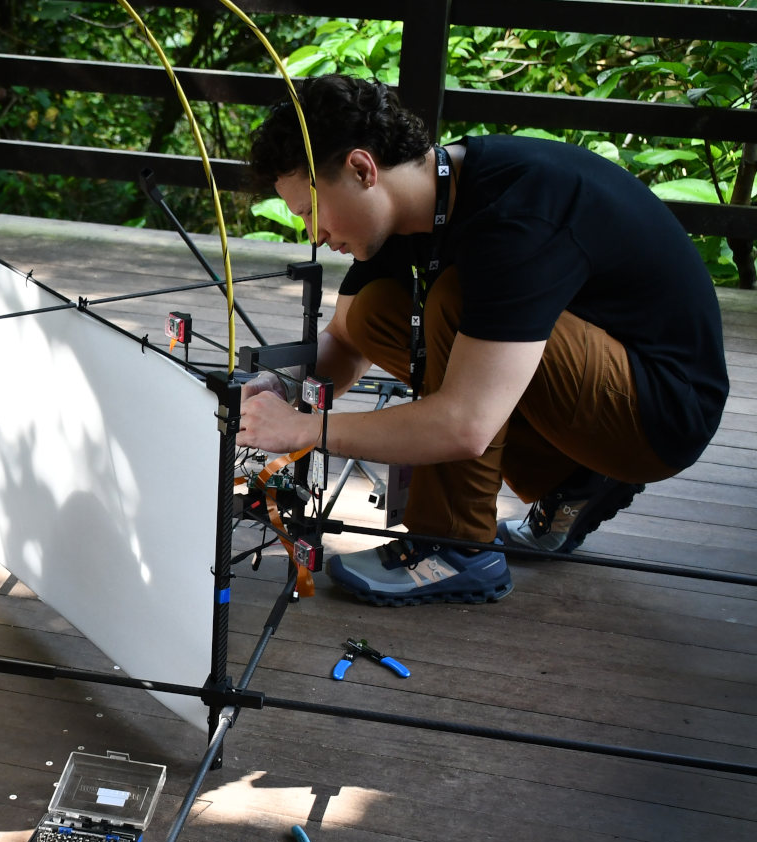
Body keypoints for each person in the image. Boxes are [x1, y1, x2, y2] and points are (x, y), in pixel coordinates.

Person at [238, 74, 728, 607]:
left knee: (455, 298)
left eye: (310, 211)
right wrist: (276, 391)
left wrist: (306, 429)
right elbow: (346, 341)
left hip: (659, 413)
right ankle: (577, 479)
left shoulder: (513, 215)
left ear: (362, 169)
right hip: (587, 397)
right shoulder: (414, 204)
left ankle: (451, 548)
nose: (314, 235)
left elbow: (465, 425)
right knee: (375, 309)